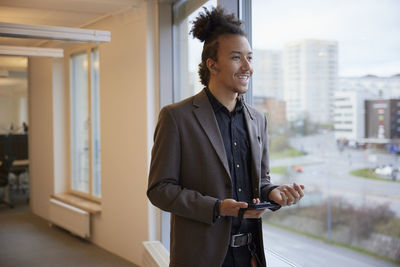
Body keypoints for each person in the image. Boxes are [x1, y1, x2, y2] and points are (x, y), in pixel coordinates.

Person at [147, 7, 305, 267]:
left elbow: (261, 181)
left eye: (250, 58)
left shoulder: (258, 120)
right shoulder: (177, 117)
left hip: (250, 255)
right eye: (236, 58)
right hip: (201, 257)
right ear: (212, 64)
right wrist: (217, 207)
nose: (247, 67)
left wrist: (275, 192)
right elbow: (159, 190)